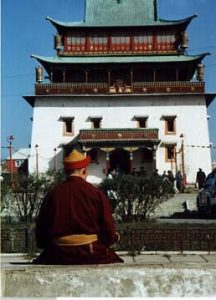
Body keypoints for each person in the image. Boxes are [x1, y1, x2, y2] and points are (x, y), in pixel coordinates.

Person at [33, 149, 123, 265]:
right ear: (84, 170)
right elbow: (108, 227)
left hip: (58, 253)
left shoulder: (53, 193)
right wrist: (112, 239)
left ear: (65, 171)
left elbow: (41, 230)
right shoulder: (94, 192)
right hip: (90, 252)